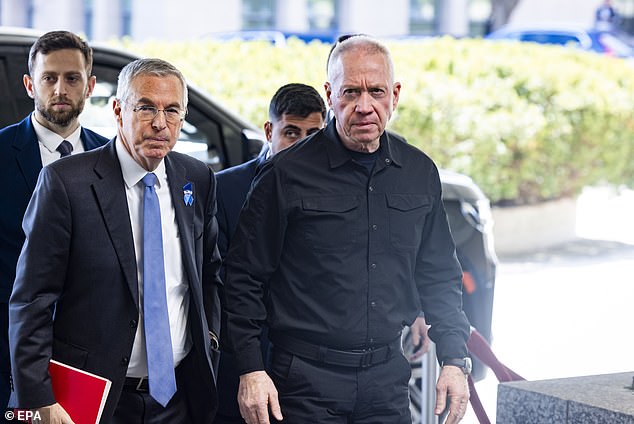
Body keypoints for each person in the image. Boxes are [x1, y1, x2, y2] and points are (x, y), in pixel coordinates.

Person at [224, 35, 471, 424]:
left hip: (387, 377)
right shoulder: (284, 175)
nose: (364, 106)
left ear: (395, 94)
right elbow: (243, 278)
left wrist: (456, 360)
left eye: (376, 91)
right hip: (304, 382)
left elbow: (439, 275)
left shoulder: (419, 172)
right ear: (329, 94)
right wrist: (251, 369)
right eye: (350, 92)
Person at [9, 58, 222, 423]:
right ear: (118, 110)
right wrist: (37, 397)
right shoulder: (65, 183)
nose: (160, 123)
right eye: (146, 107)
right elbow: (32, 300)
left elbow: (210, 273)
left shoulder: (196, 178)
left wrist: (210, 339)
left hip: (177, 400)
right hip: (91, 402)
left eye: (172, 111)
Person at [0, 30, 108, 415]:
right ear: (30, 85)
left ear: (90, 85)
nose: (60, 88)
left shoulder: (110, 157)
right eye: (49, 78)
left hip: (91, 359)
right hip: (10, 350)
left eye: (72, 78)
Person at [214, 83, 326, 424]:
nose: (303, 144)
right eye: (291, 132)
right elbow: (217, 282)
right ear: (269, 131)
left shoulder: (338, 189)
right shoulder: (223, 188)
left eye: (313, 133)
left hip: (313, 369)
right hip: (244, 361)